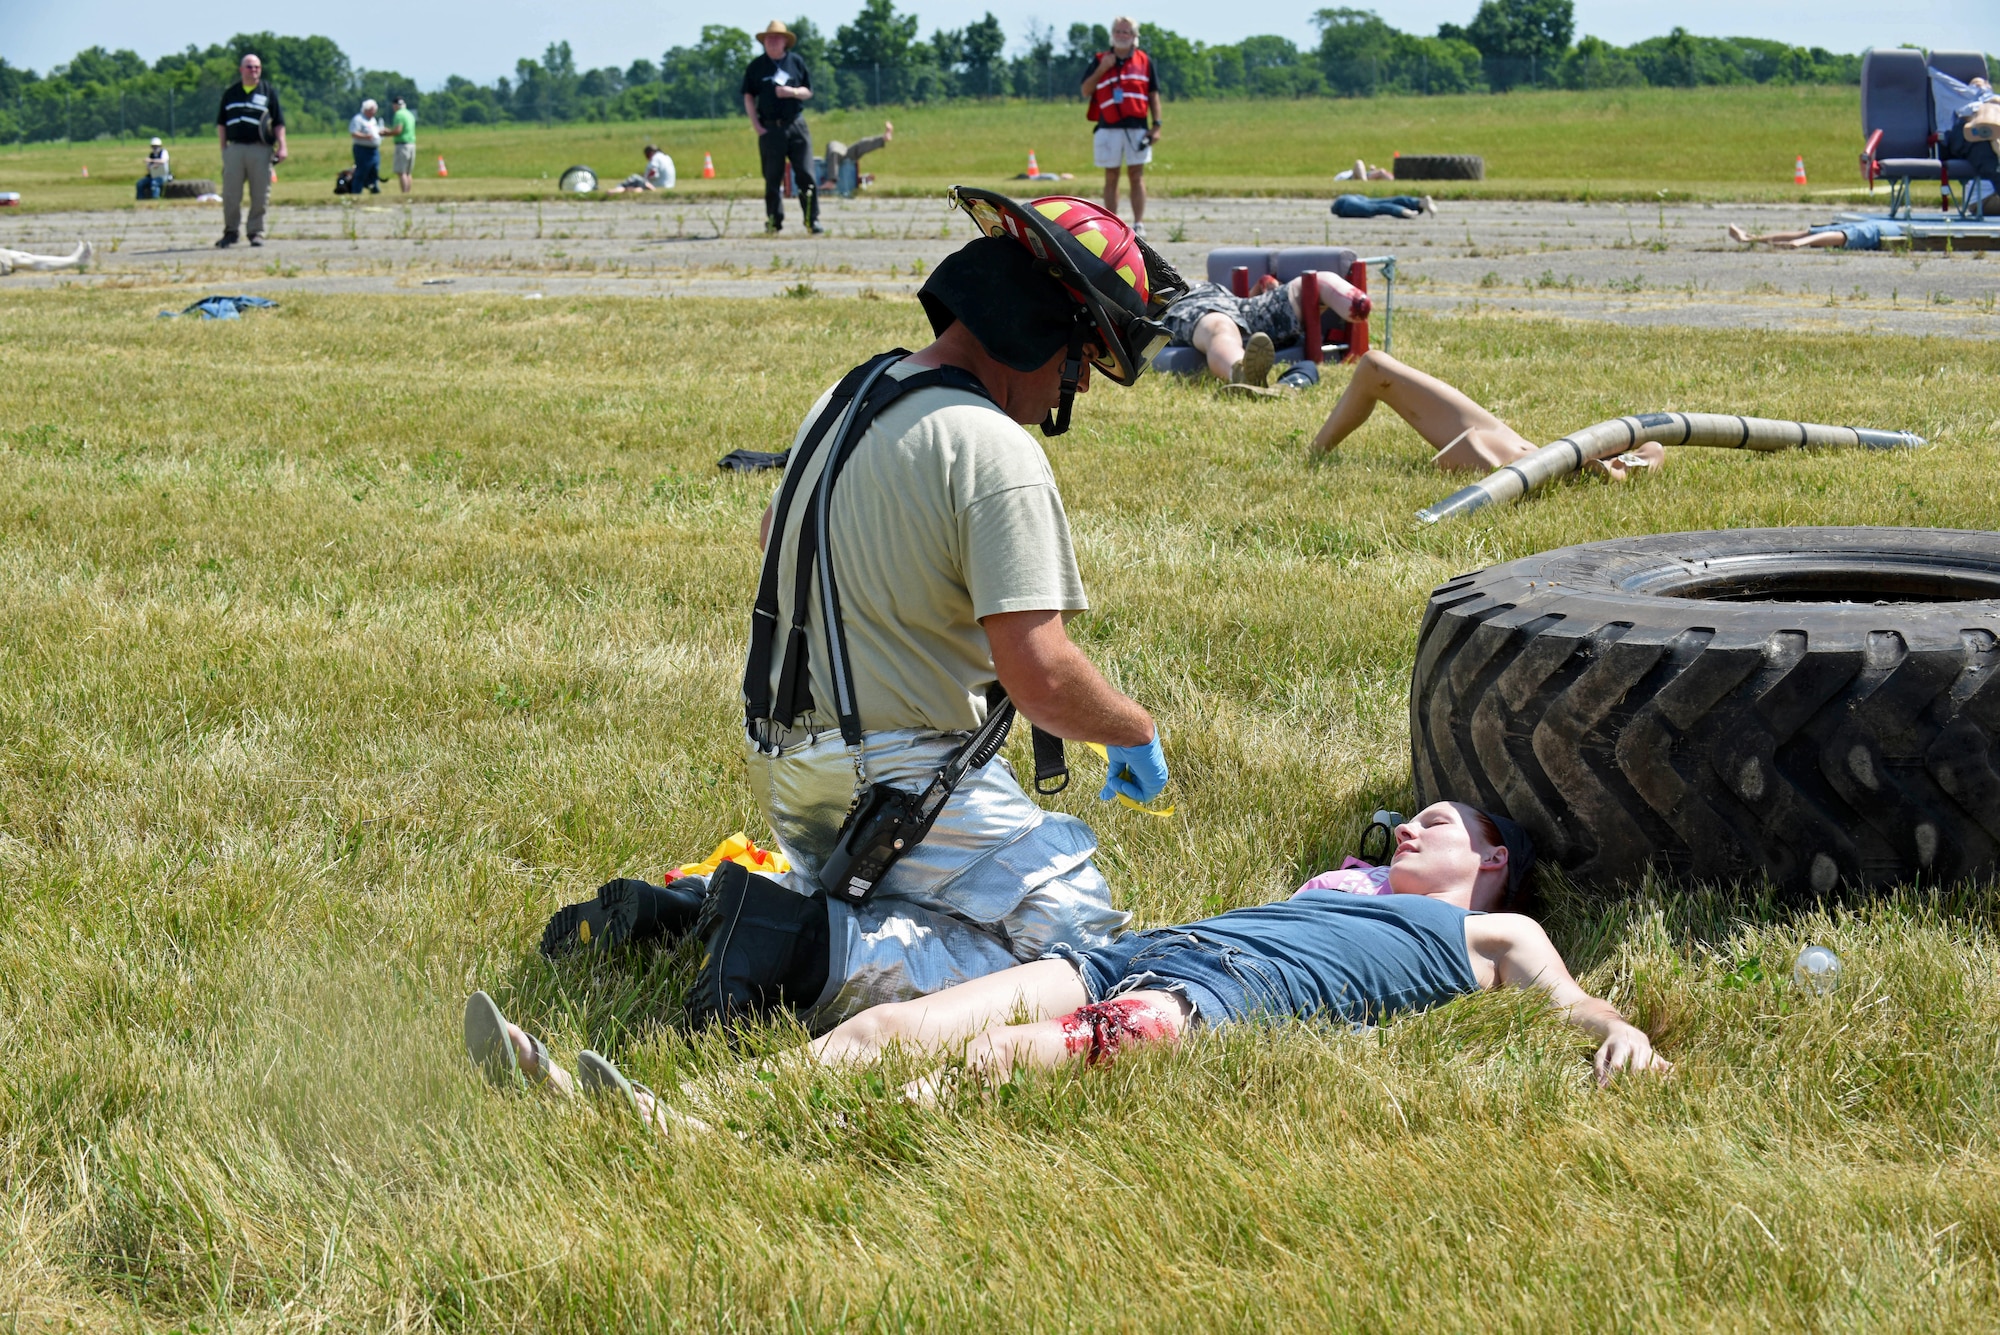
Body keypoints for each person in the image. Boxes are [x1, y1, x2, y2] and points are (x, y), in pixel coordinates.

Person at [539, 188, 1189, 1034]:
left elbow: (778, 528)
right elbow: (1043, 677)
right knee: (1085, 953)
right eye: (1078, 357)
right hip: (902, 784)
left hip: (787, 769)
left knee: (949, 908)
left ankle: (701, 914)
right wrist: (1133, 729)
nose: (1073, 386)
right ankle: (805, 949)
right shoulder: (996, 450)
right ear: (1041, 331)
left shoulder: (853, 392)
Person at [468, 801, 1670, 1134]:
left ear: (1495, 860)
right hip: (1136, 951)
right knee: (899, 1030)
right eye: (1401, 822)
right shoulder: (1331, 887)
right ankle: (675, 1115)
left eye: (1440, 825)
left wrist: (1614, 1030)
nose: (1408, 831)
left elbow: (1566, 998)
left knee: (989, 1063)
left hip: (1212, 1003)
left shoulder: (1483, 935)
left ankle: (725, 1157)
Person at [1310, 349, 1662, 480]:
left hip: (1514, 458)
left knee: (1374, 368)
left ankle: (1314, 452)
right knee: (1654, 446)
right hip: (1525, 453)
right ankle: (1597, 470)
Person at [1160, 274, 1349, 393]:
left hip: (1229, 299)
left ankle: (1355, 302)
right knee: (1219, 327)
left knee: (1298, 289)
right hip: (1183, 304)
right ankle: (1242, 373)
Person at [1080, 17, 1161, 236]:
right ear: (1112, 34)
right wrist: (1102, 68)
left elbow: (1153, 94)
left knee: (1136, 175)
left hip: (1137, 126)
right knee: (1111, 176)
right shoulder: (1100, 59)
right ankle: (1110, 224)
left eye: (1126, 32)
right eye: (1118, 31)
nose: (1121, 35)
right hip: (1108, 127)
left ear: (1134, 36)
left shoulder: (1144, 61)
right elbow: (1085, 90)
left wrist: (1157, 125)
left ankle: (1139, 223)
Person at [742, 20, 819, 235]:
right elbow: (748, 96)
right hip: (770, 128)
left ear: (785, 41)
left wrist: (792, 92)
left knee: (805, 174)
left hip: (795, 124)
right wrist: (756, 125)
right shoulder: (757, 66)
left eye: (776, 38)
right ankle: (774, 221)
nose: (772, 41)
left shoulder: (796, 62)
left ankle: (812, 220)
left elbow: (808, 91)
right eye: (768, 38)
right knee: (772, 177)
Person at [215, 53, 287, 248]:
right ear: (241, 70)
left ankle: (256, 232)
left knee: (260, 194)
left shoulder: (268, 92)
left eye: (257, 67)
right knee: (231, 194)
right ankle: (231, 231)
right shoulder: (230, 93)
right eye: (249, 67)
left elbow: (279, 123)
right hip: (235, 149)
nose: (253, 70)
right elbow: (221, 124)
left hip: (260, 149)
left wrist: (282, 146)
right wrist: (224, 150)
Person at [819, 120, 893, 193]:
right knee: (852, 147)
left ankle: (831, 181)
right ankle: (883, 138)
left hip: (838, 153)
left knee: (838, 149)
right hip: (838, 153)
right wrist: (861, 179)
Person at [1726, 221, 1904, 251]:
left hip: (1883, 226)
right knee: (1847, 234)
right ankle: (1751, 237)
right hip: (1884, 226)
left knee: (1848, 234)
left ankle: (1751, 238)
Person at [348, 99, 384, 195]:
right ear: (366, 110)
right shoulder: (358, 119)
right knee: (362, 170)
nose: (374, 112)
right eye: (372, 110)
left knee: (374, 169)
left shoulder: (373, 120)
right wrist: (366, 137)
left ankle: (374, 188)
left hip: (374, 149)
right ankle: (356, 191)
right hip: (362, 149)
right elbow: (354, 133)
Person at [610, 144, 677, 192]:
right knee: (639, 181)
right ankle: (634, 189)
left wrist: (645, 177)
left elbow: (654, 174)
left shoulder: (655, 158)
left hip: (659, 184)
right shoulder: (666, 157)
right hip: (670, 185)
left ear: (650, 153)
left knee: (634, 177)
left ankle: (619, 187)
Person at [386, 96, 418, 194]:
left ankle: (404, 193)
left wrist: (386, 133)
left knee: (401, 172)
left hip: (402, 145)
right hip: (412, 144)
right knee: (408, 173)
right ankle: (408, 193)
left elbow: (398, 130)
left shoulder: (399, 115)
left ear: (395, 105)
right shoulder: (409, 114)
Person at [1332, 193, 1434, 220]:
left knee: (1376, 208)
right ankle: (1419, 202)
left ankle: (1404, 211)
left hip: (1344, 205)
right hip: (1354, 198)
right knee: (1385, 201)